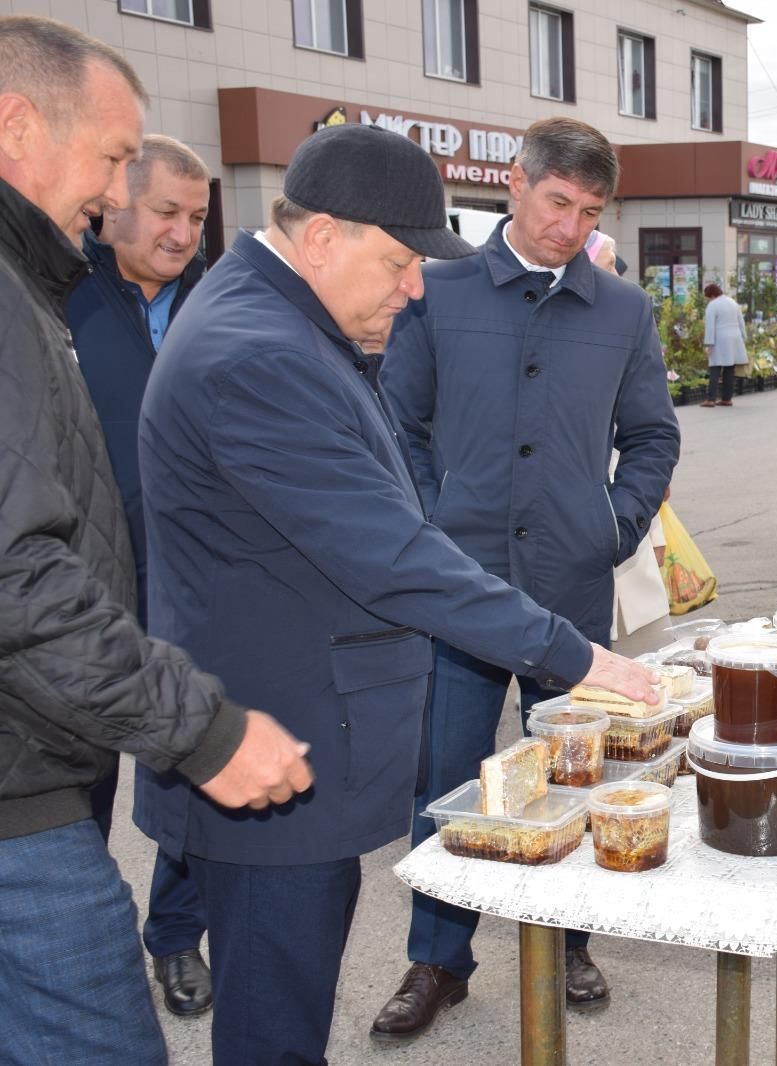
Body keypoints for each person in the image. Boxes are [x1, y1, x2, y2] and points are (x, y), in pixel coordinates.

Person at [136, 122, 660, 1065]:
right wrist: (579, 655)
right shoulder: (262, 352)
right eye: (399, 262)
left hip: (285, 738)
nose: (415, 287)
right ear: (325, 236)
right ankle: (435, 960)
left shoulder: (276, 315)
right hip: (272, 748)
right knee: (273, 1027)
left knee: (282, 1011)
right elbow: (393, 553)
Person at [0, 15, 312, 1064]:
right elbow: (16, 571)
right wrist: (207, 732)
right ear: (16, 126)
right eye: (116, 157)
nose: (120, 190)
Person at [376, 116, 680, 1037]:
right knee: (449, 779)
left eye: (589, 212)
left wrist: (613, 526)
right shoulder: (437, 290)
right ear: (515, 184)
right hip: (459, 590)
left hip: (572, 586)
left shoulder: (620, 310)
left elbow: (654, 435)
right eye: (558, 203)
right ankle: (438, 960)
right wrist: (432, 522)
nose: (570, 227)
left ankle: (570, 940)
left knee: (574, 772)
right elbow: (399, 423)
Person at [64, 133, 217, 1018]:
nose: (182, 233)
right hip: (77, 588)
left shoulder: (219, 299)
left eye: (196, 217)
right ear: (115, 200)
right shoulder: (56, 290)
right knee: (73, 784)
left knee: (187, 767)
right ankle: (76, 942)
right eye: (166, 212)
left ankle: (174, 938)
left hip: (191, 582)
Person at [702, 281, 748, 407]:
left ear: (711, 295)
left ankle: (710, 399)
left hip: (720, 339)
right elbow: (741, 322)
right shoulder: (732, 302)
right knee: (729, 369)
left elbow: (710, 326)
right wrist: (743, 338)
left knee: (715, 368)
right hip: (735, 338)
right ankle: (727, 398)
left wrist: (708, 344)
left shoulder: (713, 305)